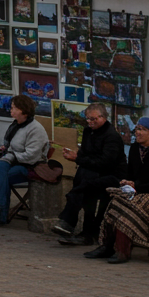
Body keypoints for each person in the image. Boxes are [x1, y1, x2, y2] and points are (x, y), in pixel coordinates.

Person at [84, 116, 149, 263]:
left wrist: (136, 186)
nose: (137, 132)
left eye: (142, 130)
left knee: (128, 207)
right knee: (115, 202)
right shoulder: (135, 149)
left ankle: (122, 251)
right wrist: (126, 182)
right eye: (137, 129)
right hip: (138, 192)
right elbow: (131, 173)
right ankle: (107, 246)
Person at [54, 102, 127, 244]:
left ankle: (70, 223)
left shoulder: (112, 136)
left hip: (112, 175)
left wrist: (78, 159)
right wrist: (75, 156)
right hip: (93, 172)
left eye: (93, 119)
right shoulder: (88, 131)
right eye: (88, 118)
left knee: (85, 183)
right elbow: (85, 154)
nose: (90, 122)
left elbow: (106, 162)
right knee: (84, 176)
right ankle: (74, 226)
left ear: (103, 117)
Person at [0, 94, 49, 225]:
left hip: (30, 166)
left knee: (0, 173)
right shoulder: (16, 125)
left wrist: (10, 156)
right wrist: (4, 149)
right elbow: (11, 145)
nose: (10, 110)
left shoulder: (35, 129)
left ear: (23, 110)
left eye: (14, 108)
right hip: (14, 161)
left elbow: (32, 156)